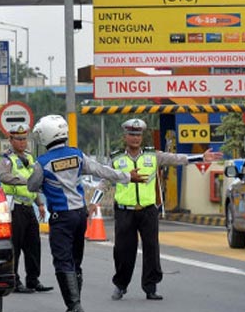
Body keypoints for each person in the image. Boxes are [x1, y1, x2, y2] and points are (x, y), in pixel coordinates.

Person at [27, 115, 147, 312]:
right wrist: (128, 176)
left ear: (47, 135)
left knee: (62, 261)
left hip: (61, 217)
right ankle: (75, 306)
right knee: (75, 261)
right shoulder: (77, 155)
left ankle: (74, 307)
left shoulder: (43, 162)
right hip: (80, 215)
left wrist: (43, 182)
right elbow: (102, 170)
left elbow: (31, 185)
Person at [94, 118, 222, 302]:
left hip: (148, 210)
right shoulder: (116, 158)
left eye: (138, 135)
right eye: (132, 134)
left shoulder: (153, 155)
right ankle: (121, 285)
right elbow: (104, 181)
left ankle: (150, 287)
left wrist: (201, 157)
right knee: (123, 250)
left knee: (151, 249)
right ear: (125, 136)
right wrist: (93, 203)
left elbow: (176, 159)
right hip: (125, 211)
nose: (136, 138)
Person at [0, 123, 52, 294]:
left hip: (29, 207)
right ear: (11, 140)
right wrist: (24, 181)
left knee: (33, 245)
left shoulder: (30, 157)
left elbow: (34, 182)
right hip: (15, 207)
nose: (22, 142)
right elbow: (4, 177)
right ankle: (14, 280)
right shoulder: (7, 158)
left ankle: (33, 280)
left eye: (24, 139)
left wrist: (40, 203)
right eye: (18, 139)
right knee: (15, 245)